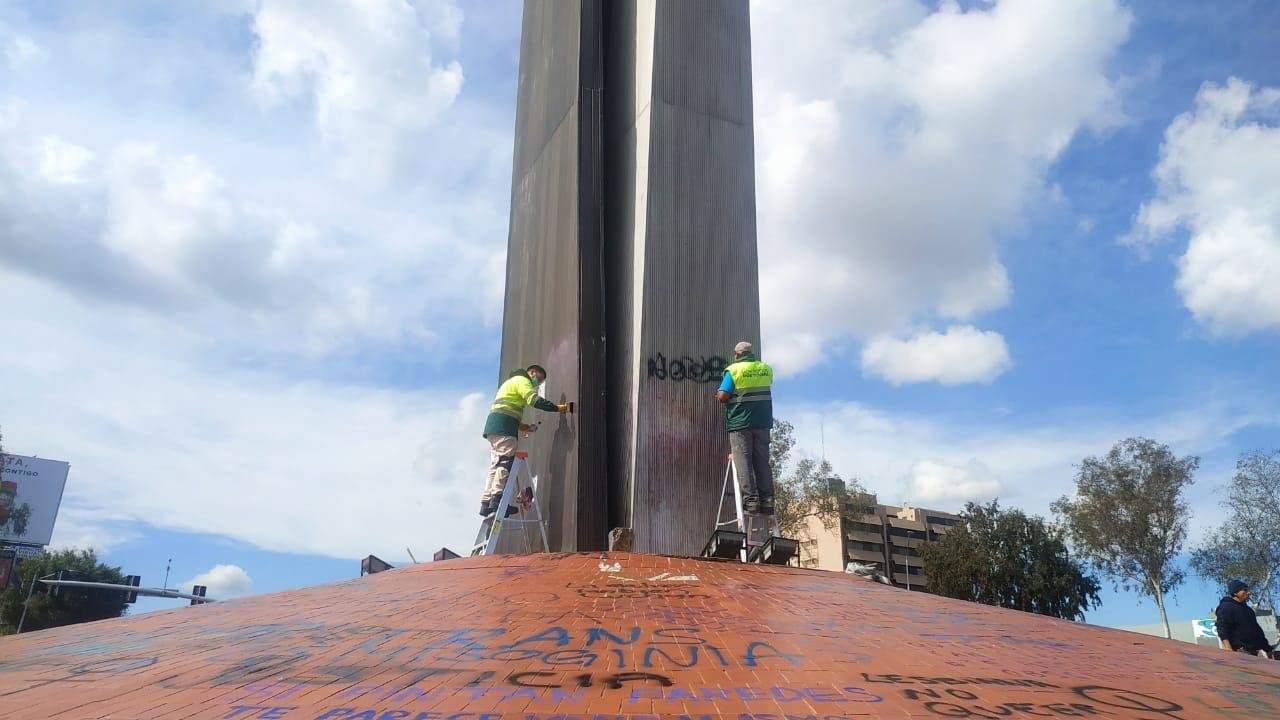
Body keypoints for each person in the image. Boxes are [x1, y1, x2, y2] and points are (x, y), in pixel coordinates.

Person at [479, 364, 568, 517]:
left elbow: (507, 409)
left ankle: (485, 504)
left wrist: (524, 427)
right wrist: (556, 408)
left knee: (496, 464)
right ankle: (497, 501)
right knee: (505, 462)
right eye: (538, 380)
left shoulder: (510, 383)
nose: (537, 384)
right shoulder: (522, 380)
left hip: (495, 427)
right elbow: (533, 400)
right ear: (532, 373)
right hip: (504, 427)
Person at [716, 341, 775, 515]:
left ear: (737, 355)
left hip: (741, 423)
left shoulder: (734, 370)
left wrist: (719, 395)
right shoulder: (766, 369)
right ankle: (768, 501)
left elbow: (723, 396)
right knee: (762, 463)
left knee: (743, 462)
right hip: (763, 423)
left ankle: (751, 502)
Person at [1215, 579, 1277, 659]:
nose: (1248, 593)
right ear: (1235, 593)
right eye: (1244, 590)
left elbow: (1257, 631)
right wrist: (1228, 647)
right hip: (1238, 652)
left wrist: (1267, 649)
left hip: (1253, 653)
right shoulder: (1226, 607)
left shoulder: (1248, 610)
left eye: (1248, 590)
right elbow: (1222, 627)